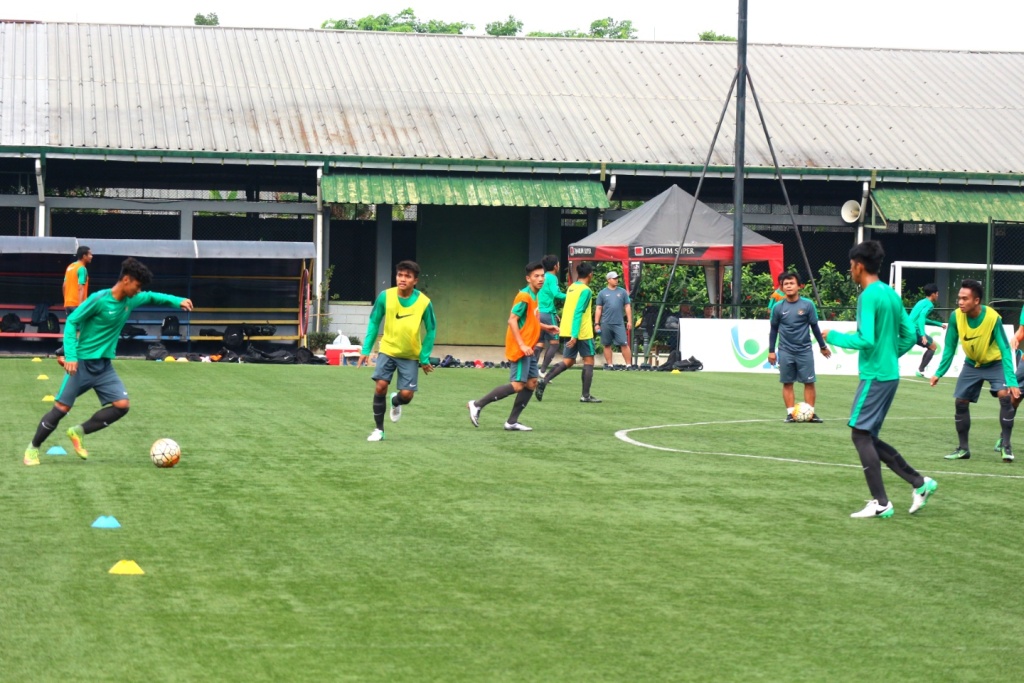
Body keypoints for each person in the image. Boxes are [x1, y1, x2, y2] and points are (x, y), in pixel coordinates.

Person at [23, 257, 194, 466]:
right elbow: (72, 321)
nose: (138, 291)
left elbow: (152, 297)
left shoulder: (132, 299)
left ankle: (78, 431)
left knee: (122, 405)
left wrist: (177, 301)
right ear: (126, 280)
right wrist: (70, 356)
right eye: (137, 286)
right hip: (82, 365)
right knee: (60, 409)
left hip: (104, 367)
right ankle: (32, 449)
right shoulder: (99, 299)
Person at [823, 241, 937, 519]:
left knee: (859, 434)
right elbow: (910, 336)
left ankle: (881, 502)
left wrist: (832, 336)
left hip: (875, 376)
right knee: (868, 436)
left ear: (859, 266)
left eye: (851, 266)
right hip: (889, 375)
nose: (850, 271)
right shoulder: (891, 294)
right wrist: (889, 355)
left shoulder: (868, 296)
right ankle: (920, 483)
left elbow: (866, 339)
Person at [929, 279, 1019, 462]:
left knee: (1005, 396)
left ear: (976, 301)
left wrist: (1011, 379)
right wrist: (939, 372)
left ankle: (1006, 446)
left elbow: (1004, 349)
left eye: (965, 298)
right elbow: (949, 347)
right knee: (960, 402)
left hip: (996, 363)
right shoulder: (955, 316)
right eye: (959, 298)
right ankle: (963, 449)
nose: (960, 302)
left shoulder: (992, 318)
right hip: (971, 364)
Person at [468, 260, 560, 431]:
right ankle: (477, 404)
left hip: (529, 348)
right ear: (528, 278)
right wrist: (522, 345)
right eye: (536, 276)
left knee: (531, 382)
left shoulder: (535, 295)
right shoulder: (524, 296)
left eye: (542, 276)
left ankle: (511, 422)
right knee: (518, 385)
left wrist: (547, 327)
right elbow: (512, 320)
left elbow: (530, 321)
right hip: (521, 348)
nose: (540, 279)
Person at [357, 261, 437, 442]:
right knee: (380, 386)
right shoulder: (385, 296)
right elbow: (374, 321)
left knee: (407, 396)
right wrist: (366, 349)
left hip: (410, 355)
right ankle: (379, 430)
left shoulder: (424, 302)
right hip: (387, 350)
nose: (402, 279)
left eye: (407, 276)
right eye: (400, 275)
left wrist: (424, 357)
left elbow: (431, 329)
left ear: (415, 281)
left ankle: (396, 401)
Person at [767, 271, 831, 423]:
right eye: (785, 284)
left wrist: (822, 346)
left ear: (799, 286)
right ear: (782, 288)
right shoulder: (777, 308)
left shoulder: (808, 305)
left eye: (792, 283)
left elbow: (815, 327)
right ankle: (790, 413)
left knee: (809, 382)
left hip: (804, 350)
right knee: (787, 382)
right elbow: (773, 330)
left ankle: (810, 413)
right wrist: (771, 351)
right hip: (785, 350)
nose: (789, 286)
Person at [535, 261, 600, 403]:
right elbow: (578, 312)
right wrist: (575, 335)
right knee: (589, 360)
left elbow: (570, 308)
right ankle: (585, 395)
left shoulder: (571, 288)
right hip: (581, 332)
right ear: (590, 275)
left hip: (568, 328)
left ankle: (544, 380)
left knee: (568, 361)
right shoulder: (586, 291)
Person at [595, 271, 633, 367]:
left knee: (624, 344)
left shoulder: (622, 292)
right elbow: (598, 308)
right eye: (614, 278)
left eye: (617, 278)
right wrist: (597, 323)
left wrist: (629, 321)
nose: (616, 280)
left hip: (619, 323)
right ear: (608, 280)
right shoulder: (602, 293)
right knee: (607, 344)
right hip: (606, 323)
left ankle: (628, 365)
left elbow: (627, 306)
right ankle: (610, 365)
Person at [908, 283, 947, 377]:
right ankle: (920, 370)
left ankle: (921, 370)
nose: (937, 295)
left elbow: (922, 318)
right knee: (933, 347)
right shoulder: (929, 305)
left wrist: (939, 324)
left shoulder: (921, 302)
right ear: (933, 294)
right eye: (937, 293)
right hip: (914, 331)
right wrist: (922, 334)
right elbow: (921, 317)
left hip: (908, 328)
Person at [536, 255, 566, 374]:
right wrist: (572, 296)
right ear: (555, 266)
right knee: (554, 344)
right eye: (558, 264)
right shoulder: (552, 277)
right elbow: (556, 294)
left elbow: (544, 296)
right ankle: (542, 371)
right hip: (547, 313)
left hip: (538, 312)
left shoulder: (542, 277)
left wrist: (554, 312)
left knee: (539, 343)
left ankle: (531, 371)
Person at [63, 245, 92, 317]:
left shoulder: (70, 267)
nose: (91, 256)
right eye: (90, 254)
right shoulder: (82, 268)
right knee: (82, 327)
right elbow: (81, 288)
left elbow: (64, 286)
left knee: (71, 326)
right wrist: (81, 306)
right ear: (84, 256)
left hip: (68, 304)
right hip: (77, 304)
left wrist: (66, 301)